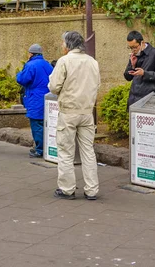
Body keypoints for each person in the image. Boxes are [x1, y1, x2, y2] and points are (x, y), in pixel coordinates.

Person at [48, 31, 101, 200]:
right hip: (86, 111)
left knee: (65, 151)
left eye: (63, 43)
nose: (62, 46)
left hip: (69, 111)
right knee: (88, 151)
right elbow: (97, 84)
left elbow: (54, 87)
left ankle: (67, 188)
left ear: (68, 45)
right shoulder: (92, 62)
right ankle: (92, 189)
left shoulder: (64, 61)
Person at [16, 44, 53, 158]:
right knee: (47, 124)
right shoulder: (47, 65)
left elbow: (23, 79)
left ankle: (39, 149)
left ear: (31, 54)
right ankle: (47, 148)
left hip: (35, 98)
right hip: (48, 97)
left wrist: (18, 74)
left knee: (36, 124)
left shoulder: (30, 65)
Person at [124, 31, 155, 107]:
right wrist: (132, 66)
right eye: (130, 47)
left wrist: (144, 73)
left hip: (150, 99)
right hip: (134, 99)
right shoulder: (134, 55)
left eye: (135, 47)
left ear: (142, 43)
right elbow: (128, 77)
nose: (133, 50)